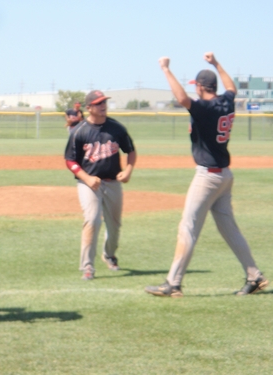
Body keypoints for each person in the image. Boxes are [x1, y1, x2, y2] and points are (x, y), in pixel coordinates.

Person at [145, 53, 268, 297]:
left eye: (196, 86)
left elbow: (181, 98)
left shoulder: (205, 108)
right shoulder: (226, 101)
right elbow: (231, 87)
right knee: (229, 229)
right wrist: (217, 63)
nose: (195, 90)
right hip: (224, 175)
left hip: (208, 177)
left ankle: (173, 283)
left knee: (187, 227)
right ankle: (254, 276)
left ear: (201, 87)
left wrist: (166, 70)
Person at [64, 90, 136, 280]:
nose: (103, 105)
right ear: (89, 108)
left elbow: (131, 150)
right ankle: (87, 266)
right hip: (89, 184)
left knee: (115, 226)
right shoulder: (79, 131)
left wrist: (128, 170)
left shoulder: (117, 128)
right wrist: (86, 178)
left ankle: (109, 255)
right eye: (98, 103)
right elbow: (70, 161)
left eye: (104, 102)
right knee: (92, 220)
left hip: (112, 183)